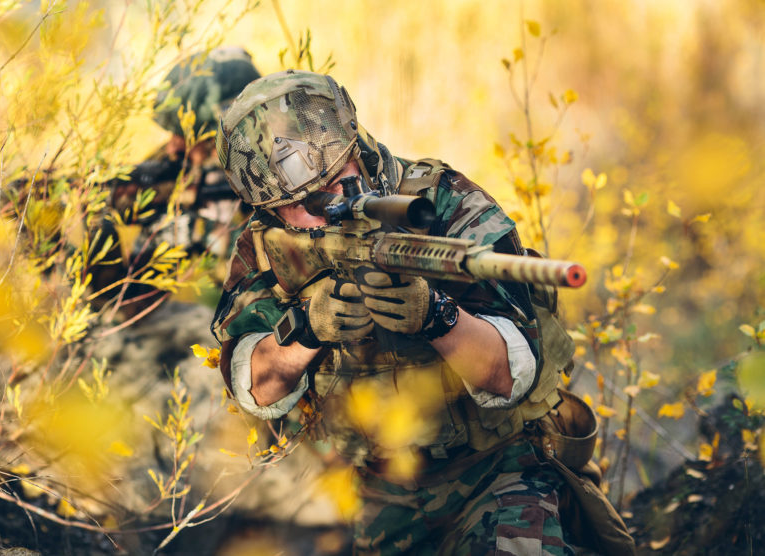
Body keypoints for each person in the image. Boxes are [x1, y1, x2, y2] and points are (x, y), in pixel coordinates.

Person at [210, 70, 633, 554]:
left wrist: (437, 317)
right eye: (305, 204)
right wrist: (307, 330)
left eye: (339, 183)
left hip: (496, 469)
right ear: (273, 211)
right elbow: (254, 389)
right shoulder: (264, 246)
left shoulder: (446, 201)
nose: (332, 207)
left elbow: (511, 375)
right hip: (372, 490)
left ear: (358, 153)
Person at [88, 47, 260, 320]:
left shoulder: (279, 179)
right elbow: (131, 303)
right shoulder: (176, 167)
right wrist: (93, 236)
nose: (172, 146)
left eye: (190, 135)